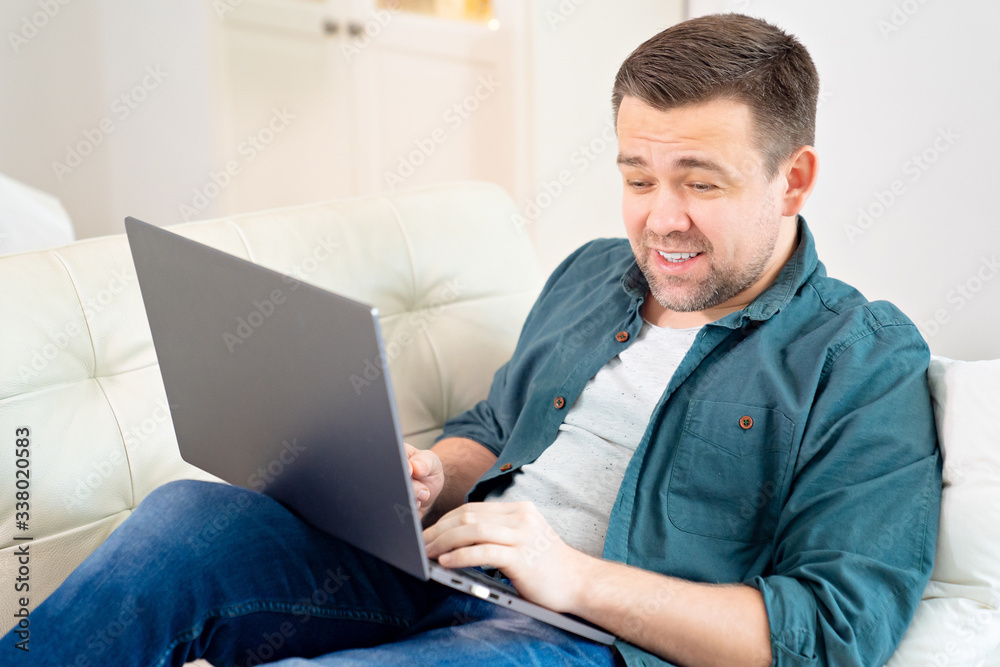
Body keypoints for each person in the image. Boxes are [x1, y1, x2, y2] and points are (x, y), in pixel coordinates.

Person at [4, 13, 940, 667]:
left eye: (700, 181)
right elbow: (497, 421)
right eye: (637, 176)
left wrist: (572, 578)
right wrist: (434, 471)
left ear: (795, 177)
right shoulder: (591, 273)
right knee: (185, 518)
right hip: (448, 563)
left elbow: (829, 633)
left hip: (586, 639)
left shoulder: (861, 357)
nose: (660, 220)